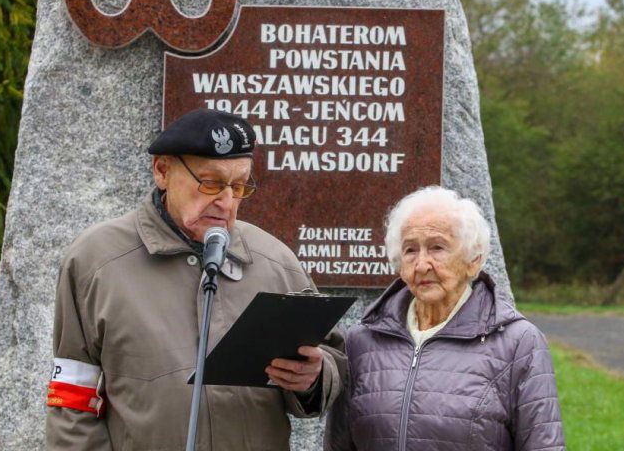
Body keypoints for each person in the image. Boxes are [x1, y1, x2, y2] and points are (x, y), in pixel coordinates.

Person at [45, 109, 345, 450]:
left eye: (239, 186)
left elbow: (332, 360)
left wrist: (314, 379)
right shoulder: (96, 260)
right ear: (162, 170)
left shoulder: (275, 262)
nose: (226, 201)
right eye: (211, 183)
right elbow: (71, 396)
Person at [324, 186, 565, 451]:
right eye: (410, 250)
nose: (422, 264)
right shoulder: (361, 342)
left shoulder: (517, 342)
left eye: (437, 248)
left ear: (473, 260)